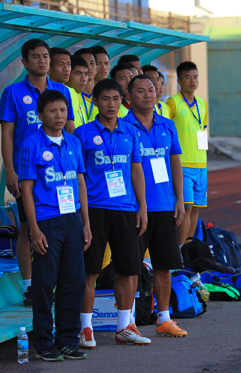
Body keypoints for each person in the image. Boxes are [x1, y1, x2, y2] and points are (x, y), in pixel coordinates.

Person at [74, 79, 151, 348]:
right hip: (94, 209)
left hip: (125, 210)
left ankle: (124, 326)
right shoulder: (82, 134)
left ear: (122, 100)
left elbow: (136, 170)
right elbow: (79, 178)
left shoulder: (130, 132)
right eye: (105, 99)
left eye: (116, 99)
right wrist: (82, 217)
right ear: (95, 101)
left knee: (129, 270)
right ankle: (85, 328)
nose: (111, 104)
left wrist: (142, 207)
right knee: (89, 271)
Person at [0, 39, 75, 307]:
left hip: (61, 174)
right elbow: (7, 134)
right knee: (27, 228)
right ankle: (30, 286)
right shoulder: (13, 92)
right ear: (24, 62)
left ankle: (58, 282)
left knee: (63, 226)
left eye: (45, 56)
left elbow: (72, 132)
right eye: (36, 57)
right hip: (28, 173)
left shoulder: (61, 90)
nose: (42, 61)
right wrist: (10, 170)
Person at [20, 90, 92, 361]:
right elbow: (26, 190)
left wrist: (85, 222)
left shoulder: (73, 143)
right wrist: (34, 229)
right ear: (41, 115)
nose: (59, 116)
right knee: (44, 283)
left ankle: (67, 340)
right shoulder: (31, 144)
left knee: (73, 282)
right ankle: (44, 342)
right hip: (47, 222)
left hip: (72, 219)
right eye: (53, 111)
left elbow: (80, 183)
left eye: (63, 110)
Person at [124, 75, 187, 337]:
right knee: (132, 266)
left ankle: (164, 318)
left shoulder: (167, 125)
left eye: (151, 90)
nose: (148, 95)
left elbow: (175, 163)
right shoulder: (123, 126)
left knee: (164, 265)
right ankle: (129, 321)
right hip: (134, 207)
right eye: (140, 91)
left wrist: (180, 199)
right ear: (129, 97)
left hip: (164, 204)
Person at [167, 61, 209, 247]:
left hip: (201, 163)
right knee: (186, 206)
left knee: (195, 210)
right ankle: (178, 249)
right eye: (187, 77)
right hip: (182, 164)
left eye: (195, 76)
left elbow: (203, 130)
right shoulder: (173, 102)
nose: (192, 81)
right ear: (178, 80)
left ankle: (188, 249)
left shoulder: (202, 104)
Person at [66, 55, 89, 128]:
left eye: (86, 74)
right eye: (78, 74)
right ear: (68, 73)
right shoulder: (67, 91)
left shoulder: (79, 94)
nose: (84, 79)